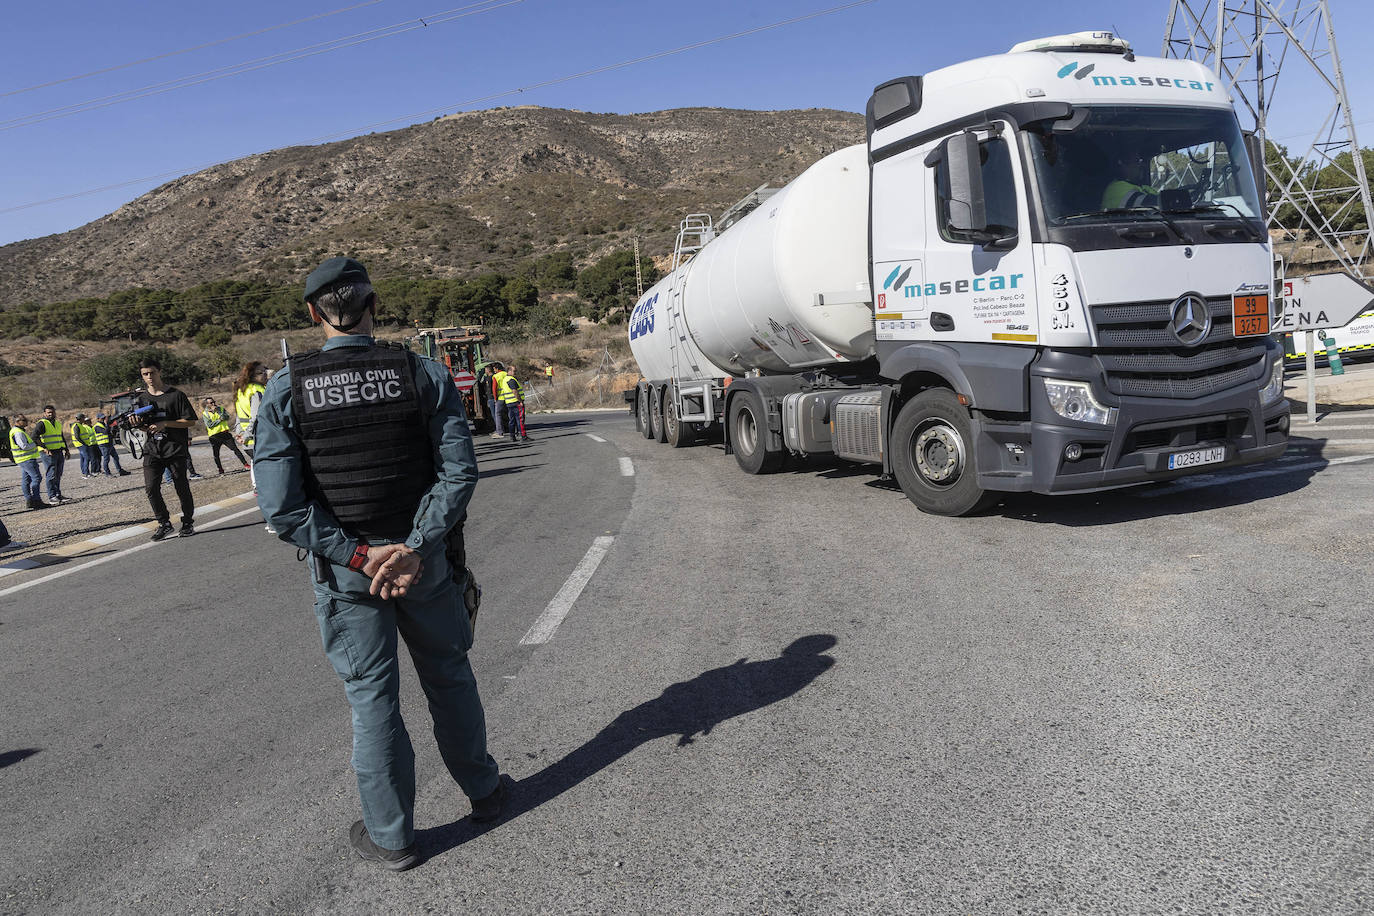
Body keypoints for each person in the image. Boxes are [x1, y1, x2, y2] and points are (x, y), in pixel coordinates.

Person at [255, 256, 507, 871]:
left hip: (351, 576)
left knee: (373, 699)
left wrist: (363, 555)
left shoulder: (286, 389)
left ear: (314, 314)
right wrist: (415, 547)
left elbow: (283, 510)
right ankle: (486, 792)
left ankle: (392, 838)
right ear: (375, 305)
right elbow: (458, 472)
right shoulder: (423, 373)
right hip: (425, 567)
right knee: (450, 676)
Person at [134, 358, 198, 541]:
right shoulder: (142, 399)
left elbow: (191, 421)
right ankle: (164, 523)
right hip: (153, 449)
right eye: (145, 374)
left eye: (152, 373)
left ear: (159, 372)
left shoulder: (176, 395)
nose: (149, 377)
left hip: (175, 449)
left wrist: (166, 424)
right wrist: (139, 425)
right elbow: (143, 425)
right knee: (151, 488)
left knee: (181, 486)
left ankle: (187, 522)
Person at [200, 396, 249, 474]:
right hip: (214, 436)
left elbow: (226, 417)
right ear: (207, 404)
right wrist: (219, 420)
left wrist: (218, 412)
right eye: (211, 403)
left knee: (236, 449)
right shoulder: (205, 414)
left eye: (214, 402)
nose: (213, 403)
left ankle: (245, 464)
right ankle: (220, 469)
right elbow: (209, 425)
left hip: (225, 433)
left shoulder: (221, 409)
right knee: (216, 454)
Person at [9, 414, 47, 510]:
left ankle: (29, 501)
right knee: (36, 478)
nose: (26, 421)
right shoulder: (18, 432)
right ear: (17, 422)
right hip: (26, 459)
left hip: (23, 459)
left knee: (26, 480)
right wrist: (35, 444)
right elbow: (24, 446)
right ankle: (36, 501)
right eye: (24, 420)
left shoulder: (17, 431)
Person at [34, 405, 70, 504]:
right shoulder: (42, 423)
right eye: (48, 412)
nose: (51, 414)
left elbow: (61, 437)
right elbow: (34, 437)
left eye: (52, 412)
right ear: (44, 413)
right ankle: (52, 496)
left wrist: (66, 449)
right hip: (48, 453)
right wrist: (45, 448)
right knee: (51, 475)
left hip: (58, 451)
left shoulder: (57, 423)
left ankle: (58, 494)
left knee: (58, 474)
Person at [92, 412, 131, 476]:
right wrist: (107, 424)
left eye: (104, 418)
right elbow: (105, 432)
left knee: (116, 457)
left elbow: (111, 425)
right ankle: (107, 473)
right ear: (98, 419)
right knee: (106, 459)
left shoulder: (103, 424)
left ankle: (120, 471)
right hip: (103, 445)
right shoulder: (97, 426)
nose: (103, 419)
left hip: (109, 444)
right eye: (102, 418)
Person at [497, 369, 525, 443]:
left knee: (512, 421)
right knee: (520, 420)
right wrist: (520, 401)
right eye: (514, 371)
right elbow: (515, 391)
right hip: (516, 402)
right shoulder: (511, 379)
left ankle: (512, 436)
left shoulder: (505, 379)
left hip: (509, 403)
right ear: (509, 371)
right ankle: (523, 436)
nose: (515, 372)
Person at [71, 413, 98, 478]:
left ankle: (84, 472)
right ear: (81, 418)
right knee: (87, 458)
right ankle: (86, 473)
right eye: (83, 418)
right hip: (81, 445)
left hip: (82, 444)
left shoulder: (80, 425)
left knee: (83, 458)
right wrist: (84, 443)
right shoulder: (76, 426)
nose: (84, 419)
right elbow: (77, 436)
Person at [487, 362, 507, 439]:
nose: (494, 370)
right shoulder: (506, 374)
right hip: (508, 397)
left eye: (494, 368)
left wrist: (495, 398)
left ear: (497, 368)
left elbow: (494, 389)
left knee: (497, 415)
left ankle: (500, 432)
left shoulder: (495, 376)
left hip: (500, 398)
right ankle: (514, 430)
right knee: (510, 414)